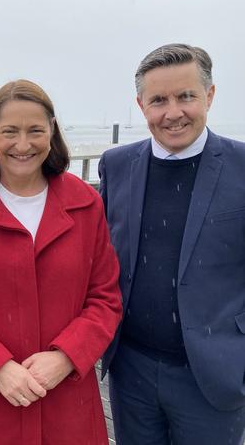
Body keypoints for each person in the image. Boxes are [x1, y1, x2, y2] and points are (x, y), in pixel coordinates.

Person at [0, 79, 122, 444]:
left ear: (52, 132)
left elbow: (105, 298)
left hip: (66, 400)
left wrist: (66, 357)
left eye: (36, 131)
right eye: (10, 131)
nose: (23, 145)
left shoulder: (86, 202)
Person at [100, 44, 245, 445]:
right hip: (132, 370)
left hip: (214, 376)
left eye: (186, 96)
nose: (173, 112)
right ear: (140, 104)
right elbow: (96, 256)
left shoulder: (242, 167)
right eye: (158, 100)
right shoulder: (116, 165)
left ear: (210, 96)